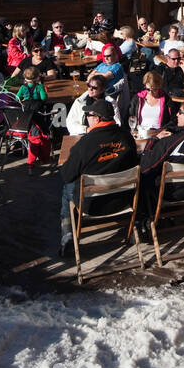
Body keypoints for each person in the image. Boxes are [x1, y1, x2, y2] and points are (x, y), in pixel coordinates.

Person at [58, 98, 138, 257]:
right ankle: (136, 223)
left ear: (97, 118)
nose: (86, 118)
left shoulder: (85, 144)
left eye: (88, 115)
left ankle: (67, 235)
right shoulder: (127, 138)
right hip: (124, 200)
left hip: (92, 205)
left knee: (67, 186)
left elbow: (66, 174)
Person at [130, 70, 177, 134]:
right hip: (141, 132)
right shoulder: (137, 99)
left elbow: (173, 120)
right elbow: (131, 117)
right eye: (148, 89)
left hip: (159, 133)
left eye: (154, 90)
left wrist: (160, 131)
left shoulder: (166, 100)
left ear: (159, 87)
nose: (151, 93)